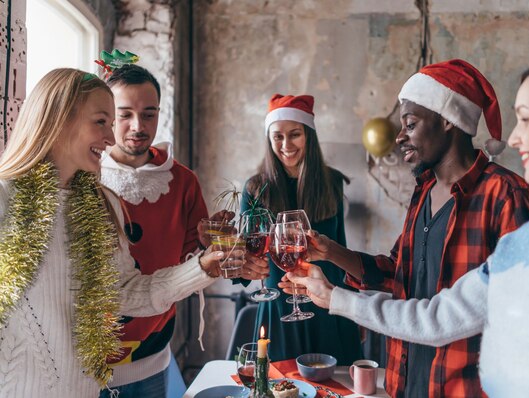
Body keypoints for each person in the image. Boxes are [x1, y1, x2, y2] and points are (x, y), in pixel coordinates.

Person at [288, 45, 529, 398]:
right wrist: (332, 261)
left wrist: (335, 297)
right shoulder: (427, 194)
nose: (512, 137)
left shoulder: (508, 197)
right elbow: (424, 304)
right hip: (408, 383)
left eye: (526, 117)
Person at [0, 68, 249, 397]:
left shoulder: (102, 206)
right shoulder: (6, 199)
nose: (112, 137)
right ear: (61, 118)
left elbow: (126, 293)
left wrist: (203, 267)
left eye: (148, 114)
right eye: (103, 121)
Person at [97, 64, 231, 397]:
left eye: (149, 114)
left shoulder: (183, 181)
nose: (137, 127)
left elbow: (196, 263)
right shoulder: (86, 175)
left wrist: (205, 243)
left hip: (152, 354)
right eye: (124, 114)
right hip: (84, 362)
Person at [241, 94, 362, 365]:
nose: (286, 145)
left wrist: (355, 308)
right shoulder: (254, 188)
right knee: (281, 386)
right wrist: (241, 267)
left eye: (294, 134)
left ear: (309, 134)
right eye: (277, 137)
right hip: (279, 304)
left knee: (335, 386)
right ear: (269, 139)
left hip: (326, 301)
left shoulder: (332, 182)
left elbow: (341, 249)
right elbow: (246, 257)